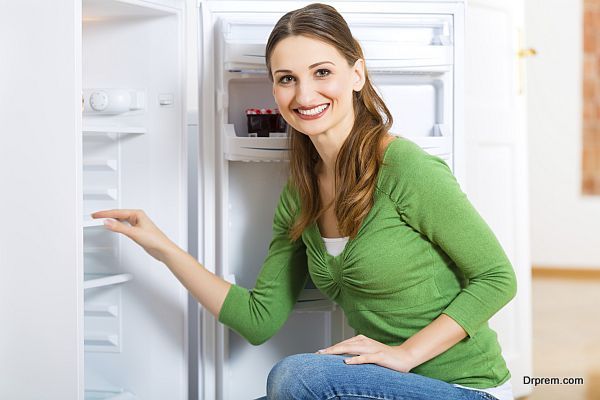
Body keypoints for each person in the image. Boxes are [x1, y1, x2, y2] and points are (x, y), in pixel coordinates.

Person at [92, 3, 517, 400]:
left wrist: (405, 354)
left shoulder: (404, 167)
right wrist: (162, 247)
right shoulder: (301, 195)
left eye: (322, 72)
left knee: (298, 376)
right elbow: (260, 319)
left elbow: (497, 278)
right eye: (287, 78)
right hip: (377, 387)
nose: (304, 95)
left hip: (463, 389)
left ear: (357, 74)